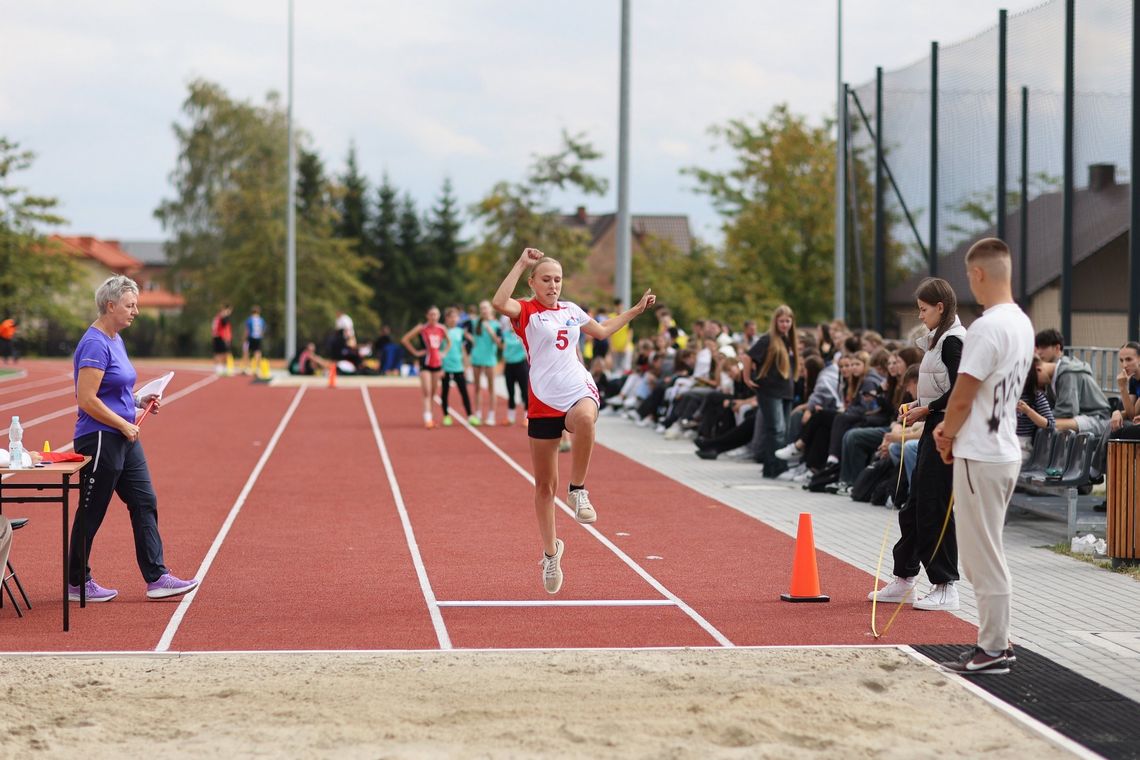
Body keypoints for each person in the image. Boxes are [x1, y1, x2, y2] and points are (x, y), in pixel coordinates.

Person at [492, 247, 655, 594]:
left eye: (558, 279)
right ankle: (551, 552)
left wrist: (635, 311)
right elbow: (498, 301)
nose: (553, 285)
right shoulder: (526, 312)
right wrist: (521, 263)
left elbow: (603, 330)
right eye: (547, 279)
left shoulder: (571, 310)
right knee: (543, 487)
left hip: (576, 386)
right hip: (542, 398)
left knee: (585, 417)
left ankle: (578, 489)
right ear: (534, 283)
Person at [933, 237, 1034, 675]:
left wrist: (944, 434)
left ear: (977, 275)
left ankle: (994, 647)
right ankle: (997, 641)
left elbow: (962, 395)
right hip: (1002, 448)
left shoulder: (987, 327)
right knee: (983, 553)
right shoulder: (1022, 323)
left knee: (981, 557)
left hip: (981, 451)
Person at [69, 275, 199, 603]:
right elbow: (86, 399)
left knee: (144, 501)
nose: (136, 311)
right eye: (130, 305)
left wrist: (139, 400)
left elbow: (117, 388)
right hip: (100, 438)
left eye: (136, 305)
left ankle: (157, 577)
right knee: (93, 510)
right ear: (110, 306)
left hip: (124, 436)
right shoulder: (95, 343)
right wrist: (123, 425)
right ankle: (76, 582)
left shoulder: (115, 338)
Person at [871, 277, 966, 612]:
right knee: (913, 505)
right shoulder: (937, 340)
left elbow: (960, 391)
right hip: (933, 426)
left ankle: (945, 584)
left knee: (935, 506)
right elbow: (940, 390)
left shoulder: (954, 341)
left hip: (948, 431)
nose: (920, 316)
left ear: (941, 308)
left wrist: (929, 408)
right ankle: (904, 576)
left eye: (924, 310)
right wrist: (920, 406)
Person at [743, 305, 799, 478]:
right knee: (776, 429)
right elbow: (748, 356)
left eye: (787, 321)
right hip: (770, 389)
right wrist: (747, 378)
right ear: (775, 321)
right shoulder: (768, 339)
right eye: (781, 321)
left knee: (783, 430)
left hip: (785, 390)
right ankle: (775, 467)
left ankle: (773, 467)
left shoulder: (788, 340)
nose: (784, 324)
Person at [401, 306, 450, 429]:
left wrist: (443, 353)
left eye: (436, 314)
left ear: (439, 316)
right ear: (427, 316)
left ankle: (430, 417)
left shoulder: (442, 328)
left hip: (437, 363)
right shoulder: (421, 328)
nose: (434, 317)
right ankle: (427, 419)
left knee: (433, 392)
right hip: (425, 362)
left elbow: (449, 342)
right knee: (427, 391)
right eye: (431, 314)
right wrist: (416, 352)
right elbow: (405, 339)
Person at [469, 300, 504, 425]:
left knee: (491, 388)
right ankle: (477, 414)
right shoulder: (474, 322)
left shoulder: (496, 325)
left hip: (490, 359)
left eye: (485, 308)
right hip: (476, 358)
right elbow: (464, 331)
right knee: (477, 387)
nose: (483, 310)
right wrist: (470, 339)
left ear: (491, 309)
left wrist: (491, 332)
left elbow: (500, 344)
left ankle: (491, 415)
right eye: (481, 308)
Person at [440, 307, 475, 427]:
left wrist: (466, 366)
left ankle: (470, 415)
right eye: (452, 317)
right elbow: (438, 350)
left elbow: (463, 350)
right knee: (445, 392)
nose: (454, 319)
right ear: (447, 318)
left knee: (464, 392)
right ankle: (446, 415)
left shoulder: (460, 332)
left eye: (456, 317)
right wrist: (440, 366)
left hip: (458, 366)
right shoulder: (442, 330)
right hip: (445, 366)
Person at [501, 314, 529, 425]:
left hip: (521, 365)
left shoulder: (523, 333)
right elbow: (502, 347)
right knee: (510, 391)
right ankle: (511, 417)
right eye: (511, 322)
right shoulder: (505, 334)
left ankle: (527, 417)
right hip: (509, 365)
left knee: (524, 391)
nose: (512, 324)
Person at [241, 305, 266, 374]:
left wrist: (244, 338)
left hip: (250, 337)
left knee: (246, 352)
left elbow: (247, 330)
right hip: (258, 338)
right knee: (257, 352)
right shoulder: (261, 320)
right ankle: (258, 369)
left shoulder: (250, 319)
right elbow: (263, 330)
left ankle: (246, 368)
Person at [211, 304, 233, 375]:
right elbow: (224, 323)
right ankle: (223, 368)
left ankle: (218, 367)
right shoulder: (222, 316)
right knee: (224, 353)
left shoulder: (216, 317)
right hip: (221, 336)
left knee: (218, 353)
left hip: (216, 336)